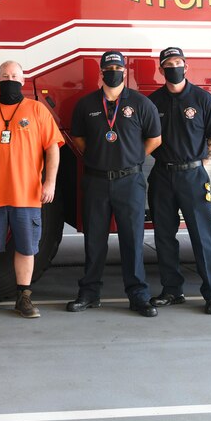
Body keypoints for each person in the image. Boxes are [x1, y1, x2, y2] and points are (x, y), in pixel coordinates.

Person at [0, 61, 64, 320]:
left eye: (15, 76)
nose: (10, 79)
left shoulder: (37, 110)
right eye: (5, 76)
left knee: (26, 248)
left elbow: (53, 149)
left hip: (27, 196)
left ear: (23, 80)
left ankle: (23, 297)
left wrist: (49, 183)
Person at [67, 51, 162, 317]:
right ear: (101, 72)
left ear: (124, 71)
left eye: (117, 66)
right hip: (96, 181)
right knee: (94, 240)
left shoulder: (142, 104)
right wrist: (100, 157)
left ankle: (138, 295)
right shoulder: (86, 104)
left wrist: (132, 158)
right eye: (108, 67)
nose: (113, 70)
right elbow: (78, 139)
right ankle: (89, 292)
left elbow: (155, 139)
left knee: (132, 240)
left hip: (129, 181)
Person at [147, 47, 211, 315]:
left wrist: (199, 164)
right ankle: (172, 290)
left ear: (186, 67)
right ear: (161, 69)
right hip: (161, 175)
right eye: (169, 64)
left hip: (193, 176)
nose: (174, 67)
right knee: (164, 236)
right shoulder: (152, 102)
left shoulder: (203, 99)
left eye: (178, 63)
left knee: (203, 236)